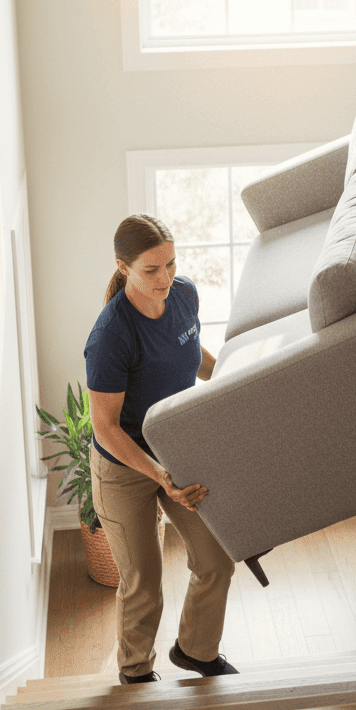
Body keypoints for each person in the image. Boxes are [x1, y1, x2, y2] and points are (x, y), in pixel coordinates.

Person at [85, 214, 237, 684]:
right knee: (142, 583)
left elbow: (194, 355)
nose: (164, 278)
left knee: (216, 559)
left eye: (170, 264)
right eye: (151, 270)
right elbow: (107, 427)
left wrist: (236, 378)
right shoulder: (111, 336)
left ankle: (196, 650)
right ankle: (134, 673)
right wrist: (160, 478)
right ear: (123, 267)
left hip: (176, 448)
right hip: (123, 466)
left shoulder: (183, 294)